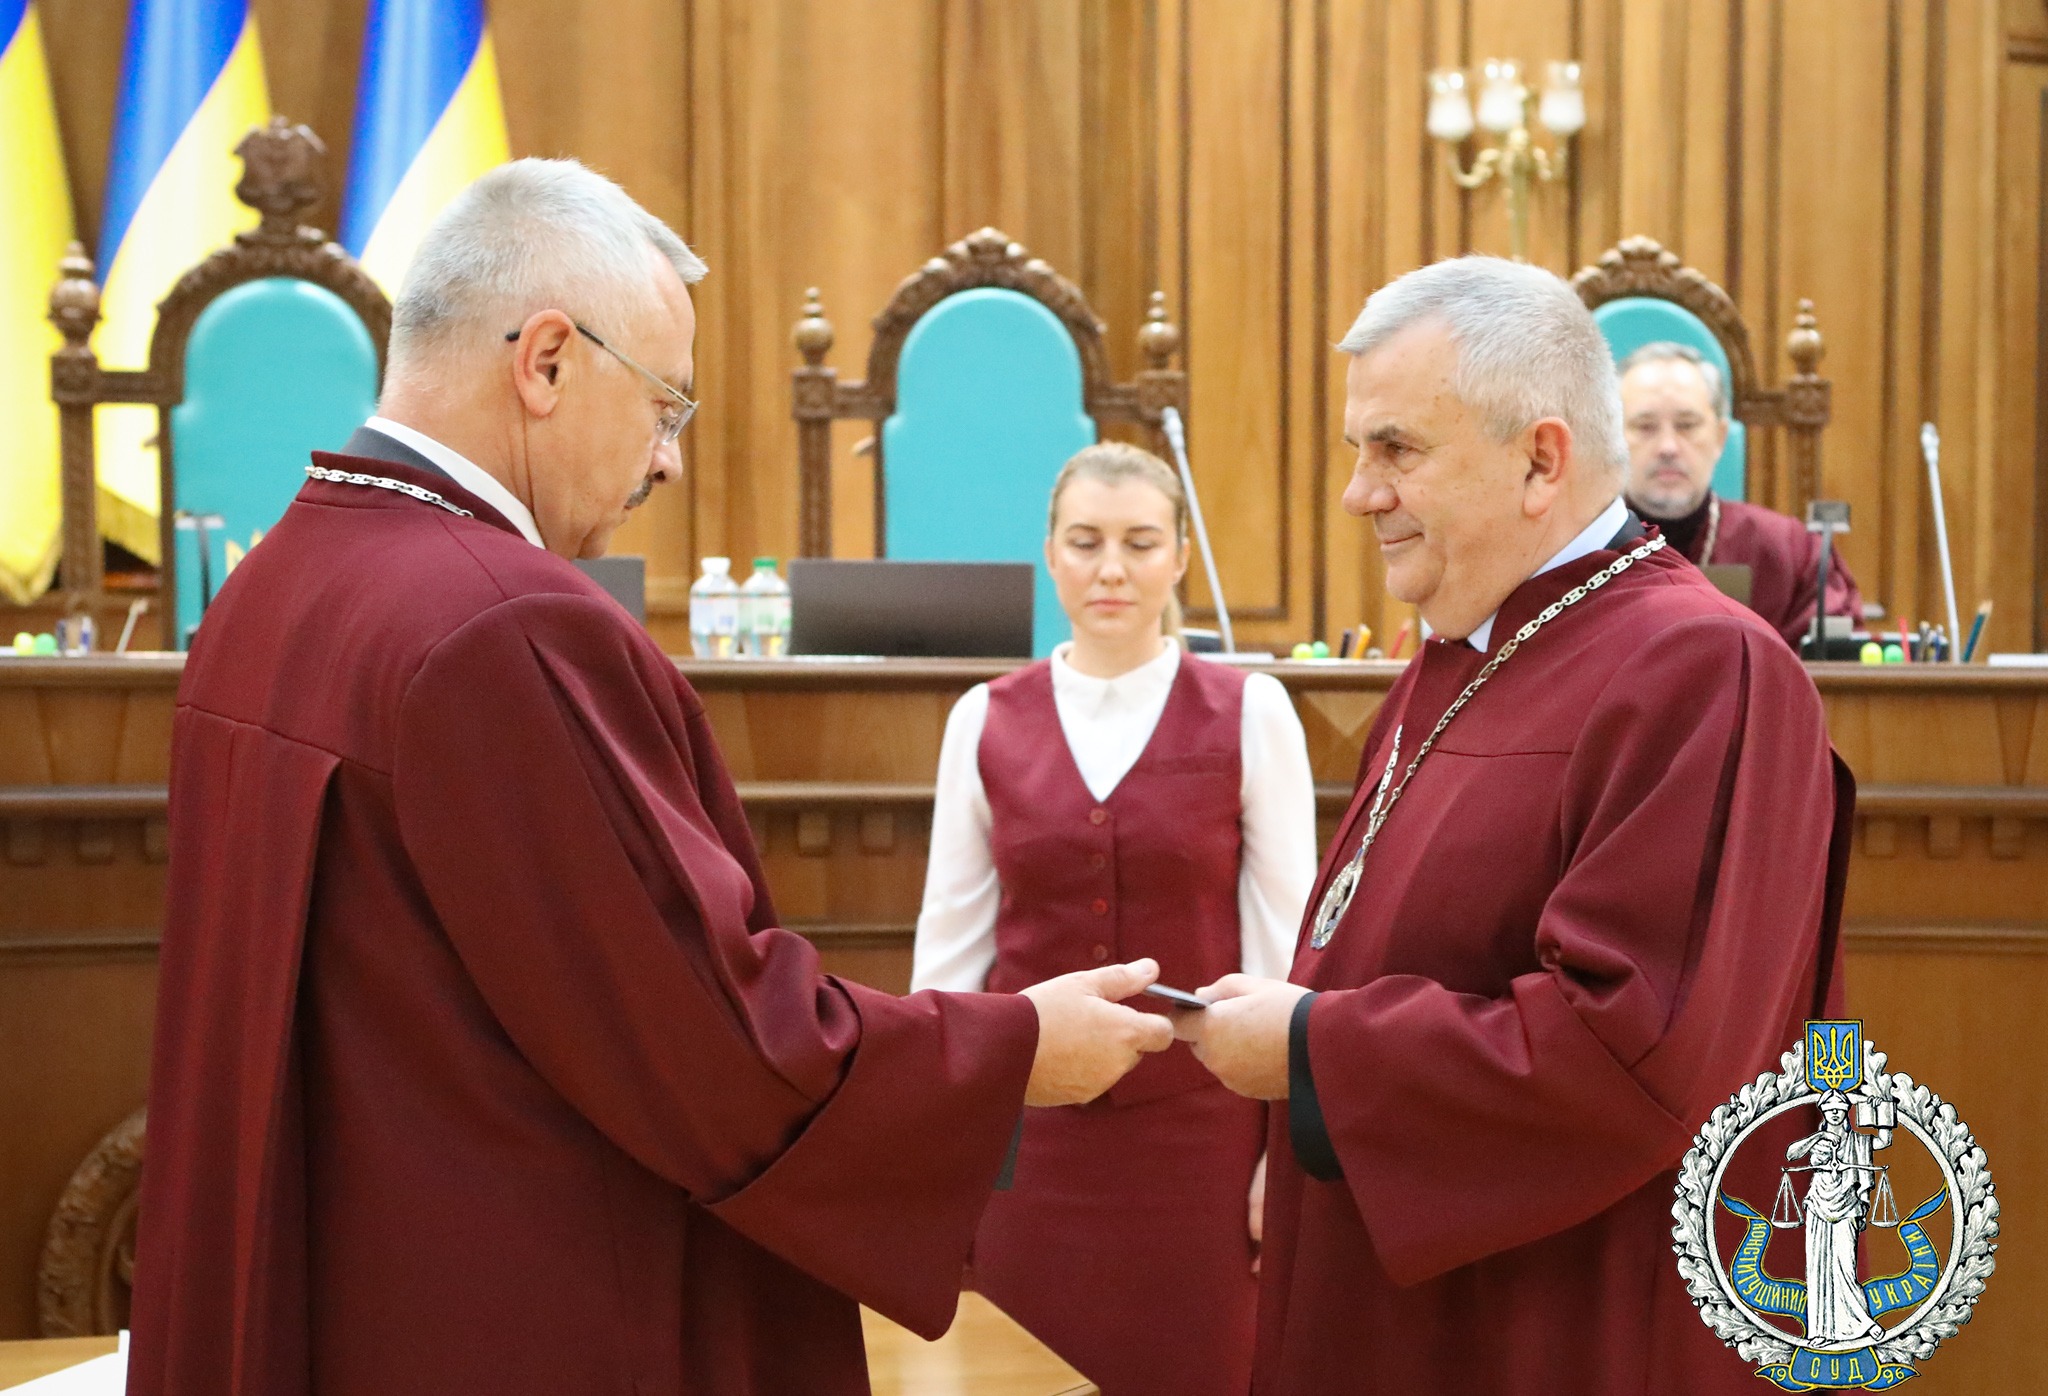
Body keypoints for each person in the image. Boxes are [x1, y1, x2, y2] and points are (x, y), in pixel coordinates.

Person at [128, 159, 1176, 1396]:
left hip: (333, 1292)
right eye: (665, 404)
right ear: (547, 362)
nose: (668, 460)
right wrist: (1008, 1050)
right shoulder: (504, 625)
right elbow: (710, 1043)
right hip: (512, 1321)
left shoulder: (271, 583)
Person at [1170, 256, 1854, 1394]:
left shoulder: (1703, 668)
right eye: (1357, 450)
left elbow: (1631, 1051)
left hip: (1557, 1329)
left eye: (1395, 449)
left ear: (1540, 459)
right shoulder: (1464, 647)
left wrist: (1312, 1051)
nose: (1358, 493)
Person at [911, 442, 1317, 1395]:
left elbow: (1289, 954)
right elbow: (950, 957)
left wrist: (1286, 1157)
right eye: (1086, 541)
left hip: (1203, 1145)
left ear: (1179, 557)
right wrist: (934, 1157)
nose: (1111, 569)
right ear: (1050, 553)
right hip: (1030, 1145)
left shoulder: (1252, 710)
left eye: (1140, 543)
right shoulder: (983, 718)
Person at [1620, 340, 1864, 647]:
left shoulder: (1789, 553)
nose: (1667, 447)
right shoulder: (1582, 547)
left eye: (1687, 425)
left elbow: (1837, 665)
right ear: (1613, 439)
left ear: (1720, 437)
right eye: (1645, 427)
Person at [1786, 1091, 1892, 1345]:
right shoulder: (1817, 1141)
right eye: (1829, 1108)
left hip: (1848, 1205)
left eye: (1839, 1109)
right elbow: (1791, 1153)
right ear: (1823, 1111)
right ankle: (1821, 1332)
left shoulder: (1857, 1141)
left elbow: (1884, 1140)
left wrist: (1883, 1110)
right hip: (1819, 1204)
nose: (1834, 1113)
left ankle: (1863, 1323)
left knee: (1845, 1266)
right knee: (1819, 1268)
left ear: (1846, 1112)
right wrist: (1818, 1137)